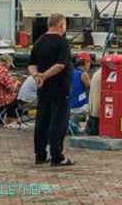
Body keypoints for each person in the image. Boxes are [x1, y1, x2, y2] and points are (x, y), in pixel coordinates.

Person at [28, 13, 73, 167]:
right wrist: (45, 75)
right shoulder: (62, 42)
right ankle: (57, 156)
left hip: (43, 90)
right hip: (60, 89)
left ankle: (40, 155)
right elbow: (61, 65)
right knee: (58, 123)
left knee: (41, 122)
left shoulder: (39, 41)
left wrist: (37, 76)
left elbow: (31, 64)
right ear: (61, 25)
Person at [85, 67, 103, 136]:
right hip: (97, 113)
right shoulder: (83, 74)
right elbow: (88, 84)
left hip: (92, 110)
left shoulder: (96, 74)